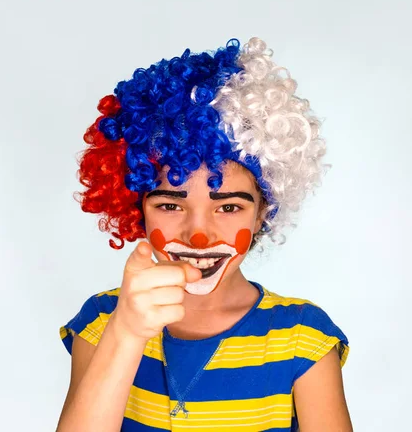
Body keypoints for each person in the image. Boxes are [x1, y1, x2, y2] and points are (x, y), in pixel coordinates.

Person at [56, 37, 352, 432]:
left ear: (263, 211)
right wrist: (126, 333)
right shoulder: (102, 321)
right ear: (135, 208)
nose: (199, 235)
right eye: (170, 205)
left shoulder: (302, 336)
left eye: (229, 207)